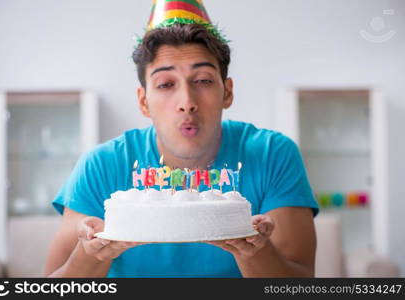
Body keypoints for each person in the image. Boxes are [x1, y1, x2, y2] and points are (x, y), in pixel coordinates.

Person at [45, 0, 318, 278]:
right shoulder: (101, 165)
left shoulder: (273, 154)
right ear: (143, 101)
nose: (186, 102)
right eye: (165, 84)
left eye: (203, 80)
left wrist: (255, 251)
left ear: (227, 92)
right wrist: (90, 254)